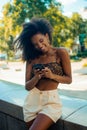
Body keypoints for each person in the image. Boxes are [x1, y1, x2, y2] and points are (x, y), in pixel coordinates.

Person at [14, 17, 72, 130]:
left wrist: (52, 76)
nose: (39, 46)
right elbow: (27, 86)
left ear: (46, 36)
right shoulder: (32, 58)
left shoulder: (61, 53)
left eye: (41, 41)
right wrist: (36, 77)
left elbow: (69, 79)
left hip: (51, 103)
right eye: (35, 44)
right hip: (32, 102)